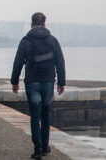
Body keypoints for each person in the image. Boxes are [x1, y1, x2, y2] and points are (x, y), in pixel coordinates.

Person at [11, 12, 65, 159]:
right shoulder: (52, 40)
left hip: (32, 81)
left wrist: (14, 81)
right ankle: (46, 146)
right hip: (48, 81)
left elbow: (18, 61)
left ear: (31, 24)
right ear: (45, 24)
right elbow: (60, 61)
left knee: (35, 115)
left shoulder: (26, 40)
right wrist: (61, 82)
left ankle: (38, 149)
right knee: (46, 113)